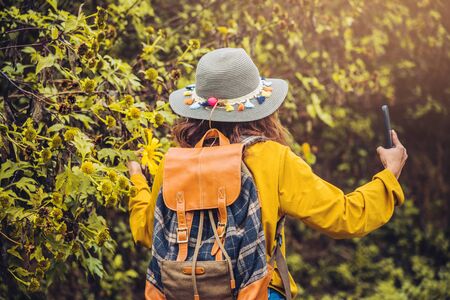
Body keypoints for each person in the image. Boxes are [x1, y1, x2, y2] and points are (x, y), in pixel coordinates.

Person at [127, 48, 408, 299]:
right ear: (259, 108)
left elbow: (148, 233)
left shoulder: (173, 163)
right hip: (257, 292)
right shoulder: (273, 158)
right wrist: (390, 174)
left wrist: (138, 181)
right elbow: (346, 217)